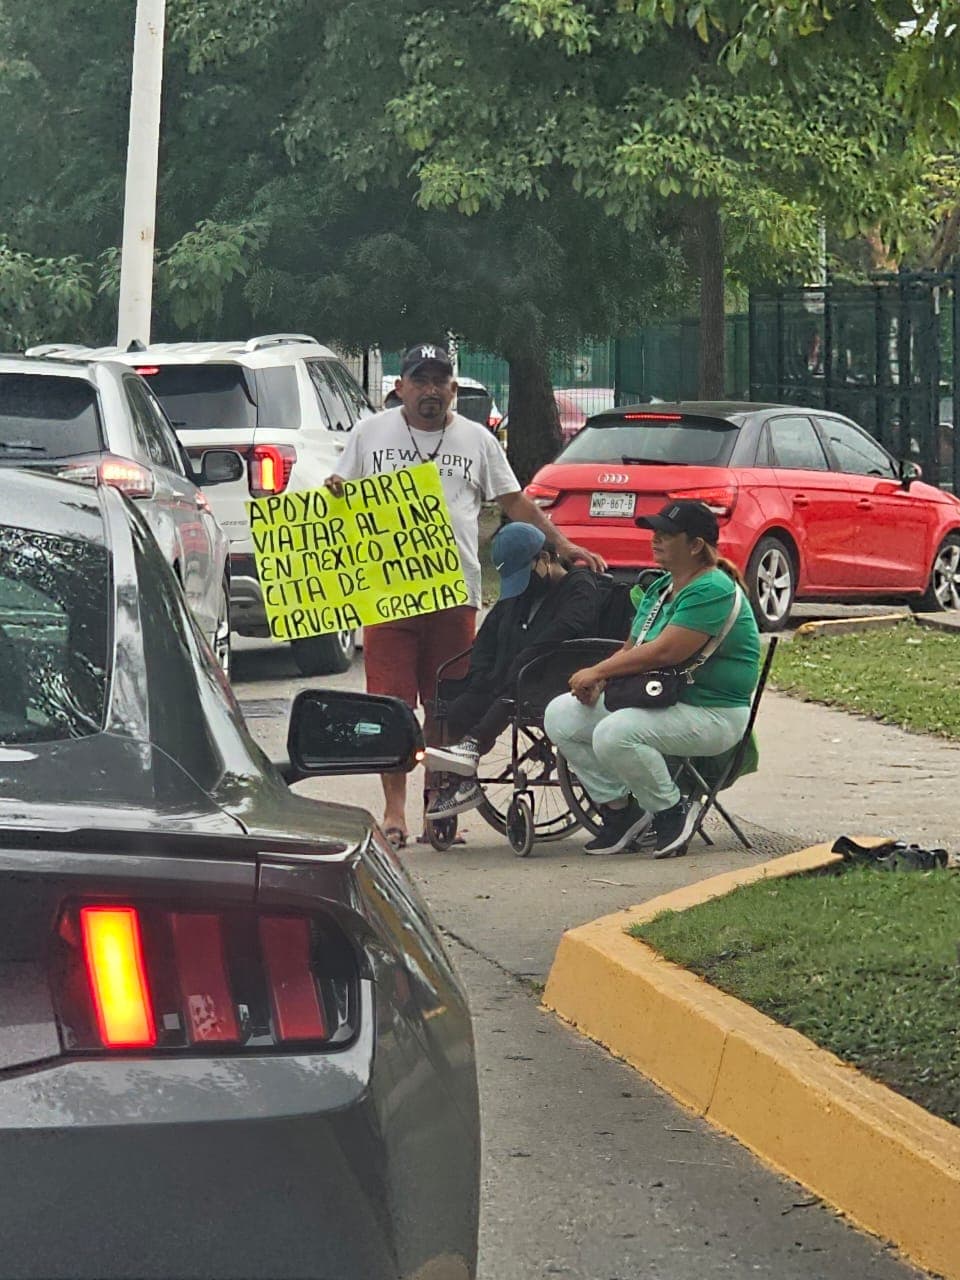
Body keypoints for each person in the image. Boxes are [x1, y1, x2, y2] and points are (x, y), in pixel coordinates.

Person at [325, 342, 604, 849]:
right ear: (399, 388)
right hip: (387, 593)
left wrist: (561, 544)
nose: (430, 391)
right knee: (390, 705)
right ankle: (394, 810)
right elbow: (338, 494)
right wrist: (335, 496)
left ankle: (440, 803)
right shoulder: (369, 434)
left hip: (455, 593)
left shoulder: (476, 439)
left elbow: (513, 498)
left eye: (440, 381)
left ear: (454, 389)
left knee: (447, 703)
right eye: (420, 380)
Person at [544, 500, 760, 858]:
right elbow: (634, 646)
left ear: (695, 545)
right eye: (654, 533)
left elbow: (666, 652)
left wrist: (598, 671)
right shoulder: (662, 588)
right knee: (561, 715)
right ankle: (621, 812)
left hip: (714, 713)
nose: (655, 540)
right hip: (663, 701)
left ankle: (670, 810)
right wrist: (600, 679)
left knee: (616, 733)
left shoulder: (713, 588)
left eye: (667, 535)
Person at [423, 521, 600, 819]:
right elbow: (488, 636)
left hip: (554, 677)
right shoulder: (519, 596)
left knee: (510, 691)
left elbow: (566, 629)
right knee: (459, 703)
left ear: (544, 559)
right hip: (511, 677)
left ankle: (473, 746)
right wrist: (479, 676)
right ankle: (463, 781)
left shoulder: (580, 586)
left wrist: (522, 659)